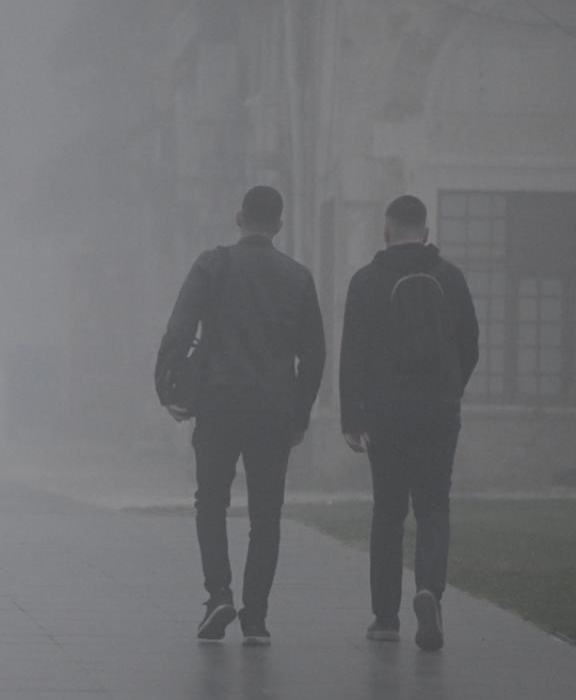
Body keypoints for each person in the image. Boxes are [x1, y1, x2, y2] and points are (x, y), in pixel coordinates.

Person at [156, 186, 325, 646]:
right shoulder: (298, 277)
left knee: (210, 501)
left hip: (218, 402)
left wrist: (168, 387)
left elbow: (179, 328)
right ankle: (256, 618)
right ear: (279, 225)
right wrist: (300, 414)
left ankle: (219, 594)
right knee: (266, 514)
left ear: (239, 217)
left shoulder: (212, 265)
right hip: (272, 409)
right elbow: (314, 354)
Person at [339, 194, 478, 651]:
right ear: (426, 231)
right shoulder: (450, 278)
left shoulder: (365, 281)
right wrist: (450, 390)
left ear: (386, 230)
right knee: (434, 505)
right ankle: (429, 591)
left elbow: (352, 354)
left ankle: (384, 617)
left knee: (388, 511)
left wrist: (351, 416)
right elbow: (470, 345)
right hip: (438, 411)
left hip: (385, 415)